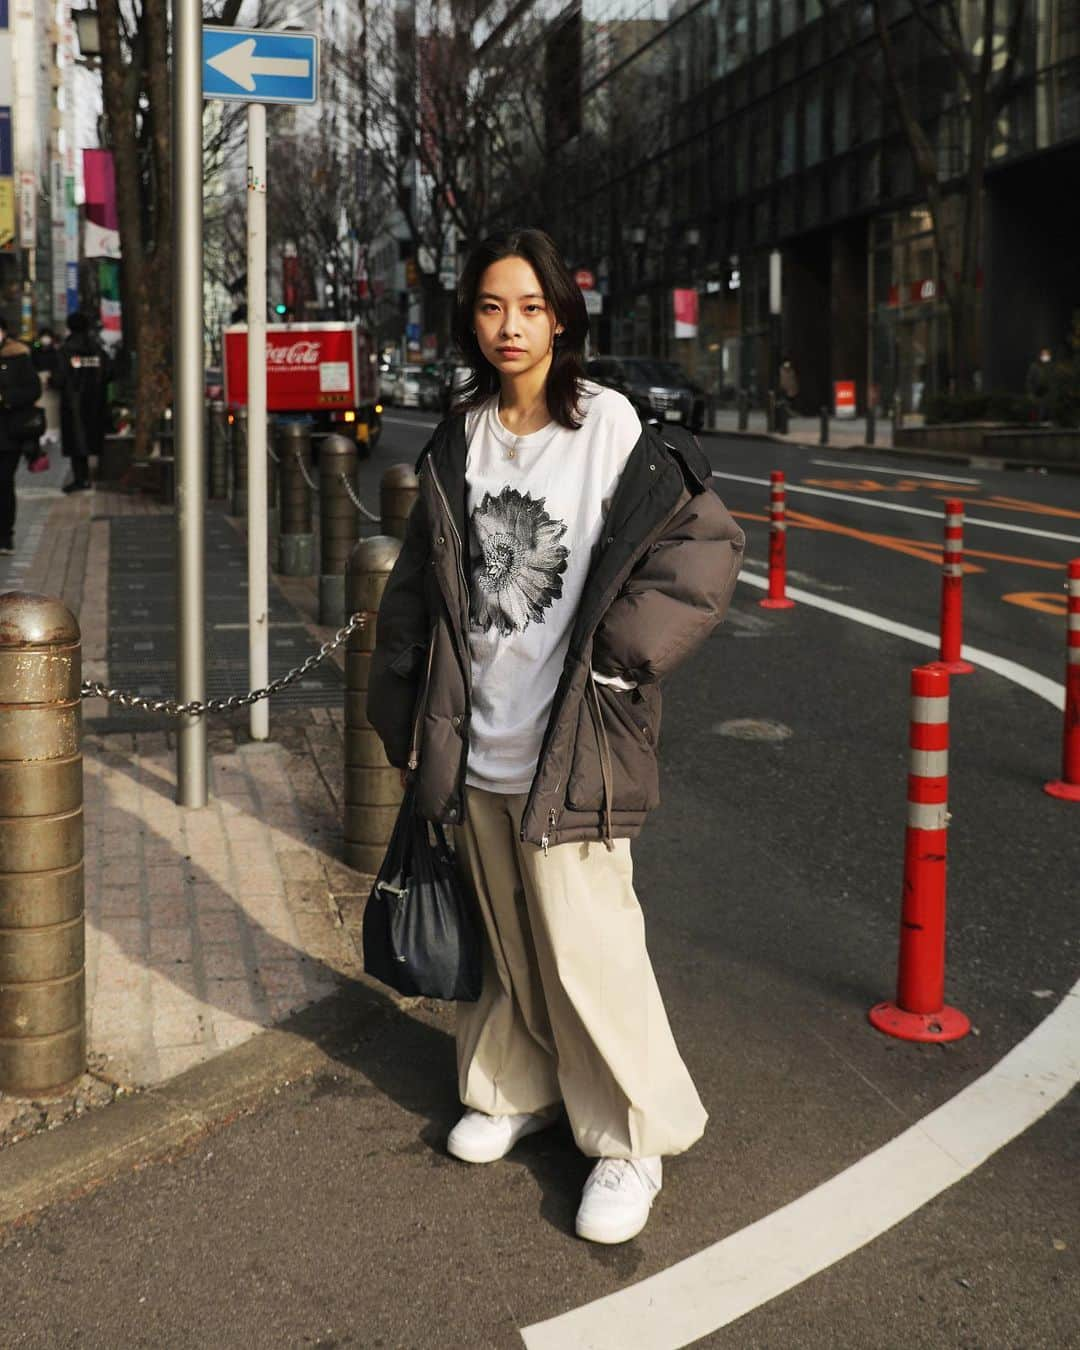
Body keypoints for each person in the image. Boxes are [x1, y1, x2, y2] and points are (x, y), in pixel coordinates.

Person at [367, 228, 745, 1245]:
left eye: (530, 307)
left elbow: (705, 549)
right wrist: (403, 710)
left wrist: (623, 661)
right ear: (471, 321)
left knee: (591, 946)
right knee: (509, 941)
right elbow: (419, 587)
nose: (510, 327)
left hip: (572, 739)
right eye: (492, 307)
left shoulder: (611, 426)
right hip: (479, 731)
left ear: (562, 319)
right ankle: (516, 1087)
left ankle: (632, 1140)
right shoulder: (460, 436)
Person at [0, 315, 44, 555]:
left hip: (10, 433)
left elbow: (33, 390)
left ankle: (5, 535)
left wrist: (7, 399)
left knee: (4, 483)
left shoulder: (18, 357)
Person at [53, 312, 111, 493]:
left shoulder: (66, 350)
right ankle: (89, 477)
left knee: (76, 442)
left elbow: (59, 378)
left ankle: (80, 478)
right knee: (92, 437)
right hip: (95, 401)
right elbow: (109, 372)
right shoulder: (97, 349)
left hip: (73, 403)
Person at [1025, 346, 1053, 422]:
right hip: (1037, 393)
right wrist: (1030, 393)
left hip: (1047, 394)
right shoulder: (1034, 366)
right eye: (1044, 354)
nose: (1045, 356)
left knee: (1045, 410)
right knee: (1038, 411)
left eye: (1047, 354)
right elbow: (1029, 380)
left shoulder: (1050, 367)